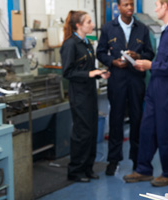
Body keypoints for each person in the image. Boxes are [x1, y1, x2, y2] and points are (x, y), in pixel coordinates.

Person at [122, 0, 168, 187]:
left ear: (166, 6)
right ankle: (143, 169)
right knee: (147, 129)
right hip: (156, 88)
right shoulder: (166, 30)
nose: (155, 9)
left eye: (157, 5)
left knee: (166, 131)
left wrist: (151, 65)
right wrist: (144, 62)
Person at [97, 0, 155, 175]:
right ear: (119, 7)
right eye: (126, 5)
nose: (130, 8)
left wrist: (138, 55)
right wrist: (112, 62)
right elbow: (100, 52)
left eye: (131, 4)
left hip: (136, 80)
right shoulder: (108, 28)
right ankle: (113, 160)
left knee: (137, 120)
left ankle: (137, 160)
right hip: (117, 80)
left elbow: (150, 53)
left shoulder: (142, 29)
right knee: (116, 120)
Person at [61, 10, 110, 182]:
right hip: (79, 95)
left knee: (91, 131)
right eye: (89, 22)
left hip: (90, 93)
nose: (93, 25)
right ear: (78, 25)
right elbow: (67, 72)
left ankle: (88, 168)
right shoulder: (70, 45)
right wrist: (90, 74)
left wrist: (99, 74)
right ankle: (75, 171)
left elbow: (87, 69)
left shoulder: (87, 44)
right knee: (81, 133)